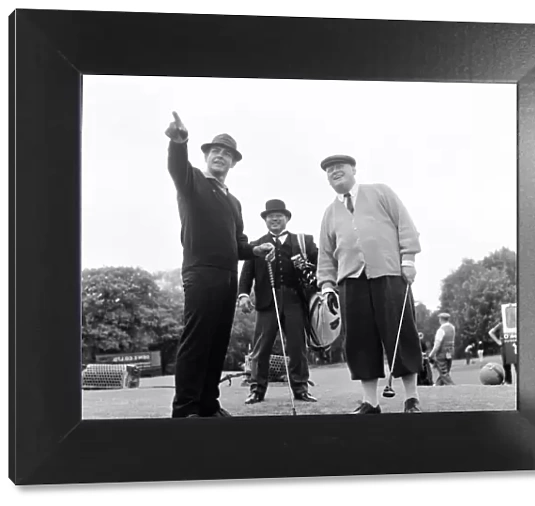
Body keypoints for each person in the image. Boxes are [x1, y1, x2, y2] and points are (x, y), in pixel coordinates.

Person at [165, 112, 274, 418]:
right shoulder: (193, 181)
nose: (221, 157)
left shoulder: (234, 202)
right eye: (216, 151)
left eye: (227, 154)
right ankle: (186, 407)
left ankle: (208, 404)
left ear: (233, 163)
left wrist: (256, 250)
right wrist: (178, 142)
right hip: (200, 272)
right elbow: (177, 166)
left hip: (228, 277)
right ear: (206, 155)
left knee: (217, 342)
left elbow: (238, 245)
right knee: (197, 339)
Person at [316, 154, 423, 414]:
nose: (335, 171)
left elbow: (405, 225)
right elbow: (326, 254)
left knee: (401, 333)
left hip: (388, 273)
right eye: (329, 170)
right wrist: (327, 285)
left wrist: (408, 259)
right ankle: (370, 402)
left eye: (340, 167)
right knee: (359, 340)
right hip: (351, 282)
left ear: (353, 169)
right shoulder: (330, 212)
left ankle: (411, 398)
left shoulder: (380, 192)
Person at [238, 199, 318, 404]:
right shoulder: (255, 246)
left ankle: (300, 389)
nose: (274, 219)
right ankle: (256, 390)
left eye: (279, 216)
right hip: (266, 302)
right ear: (265, 220)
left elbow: (321, 265)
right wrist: (243, 295)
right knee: (261, 347)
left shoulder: (304, 242)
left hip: (295, 300)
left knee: (297, 346)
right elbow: (246, 275)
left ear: (287, 219)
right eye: (270, 216)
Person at [428, 312, 456, 385]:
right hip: (450, 352)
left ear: (440, 319)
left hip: (442, 353)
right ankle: (437, 386)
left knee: (443, 372)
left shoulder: (441, 330)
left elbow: (437, 345)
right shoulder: (452, 328)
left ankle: (452, 387)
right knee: (445, 371)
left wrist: (431, 355)